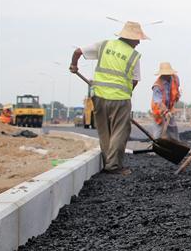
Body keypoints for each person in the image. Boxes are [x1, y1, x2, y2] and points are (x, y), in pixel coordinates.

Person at [69, 21, 146, 175]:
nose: (138, 42)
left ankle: (108, 162)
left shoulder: (104, 45)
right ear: (130, 38)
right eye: (137, 39)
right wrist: (126, 93)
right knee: (120, 131)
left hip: (99, 96)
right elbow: (135, 81)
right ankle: (114, 166)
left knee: (104, 131)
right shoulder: (134, 55)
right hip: (120, 98)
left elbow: (78, 51)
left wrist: (73, 65)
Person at [151, 62, 181, 141]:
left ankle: (176, 147)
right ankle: (158, 146)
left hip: (169, 109)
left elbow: (176, 93)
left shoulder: (175, 79)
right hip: (159, 111)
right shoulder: (157, 86)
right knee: (158, 133)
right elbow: (159, 102)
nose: (167, 76)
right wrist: (166, 112)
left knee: (173, 129)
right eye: (165, 74)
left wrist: (171, 109)